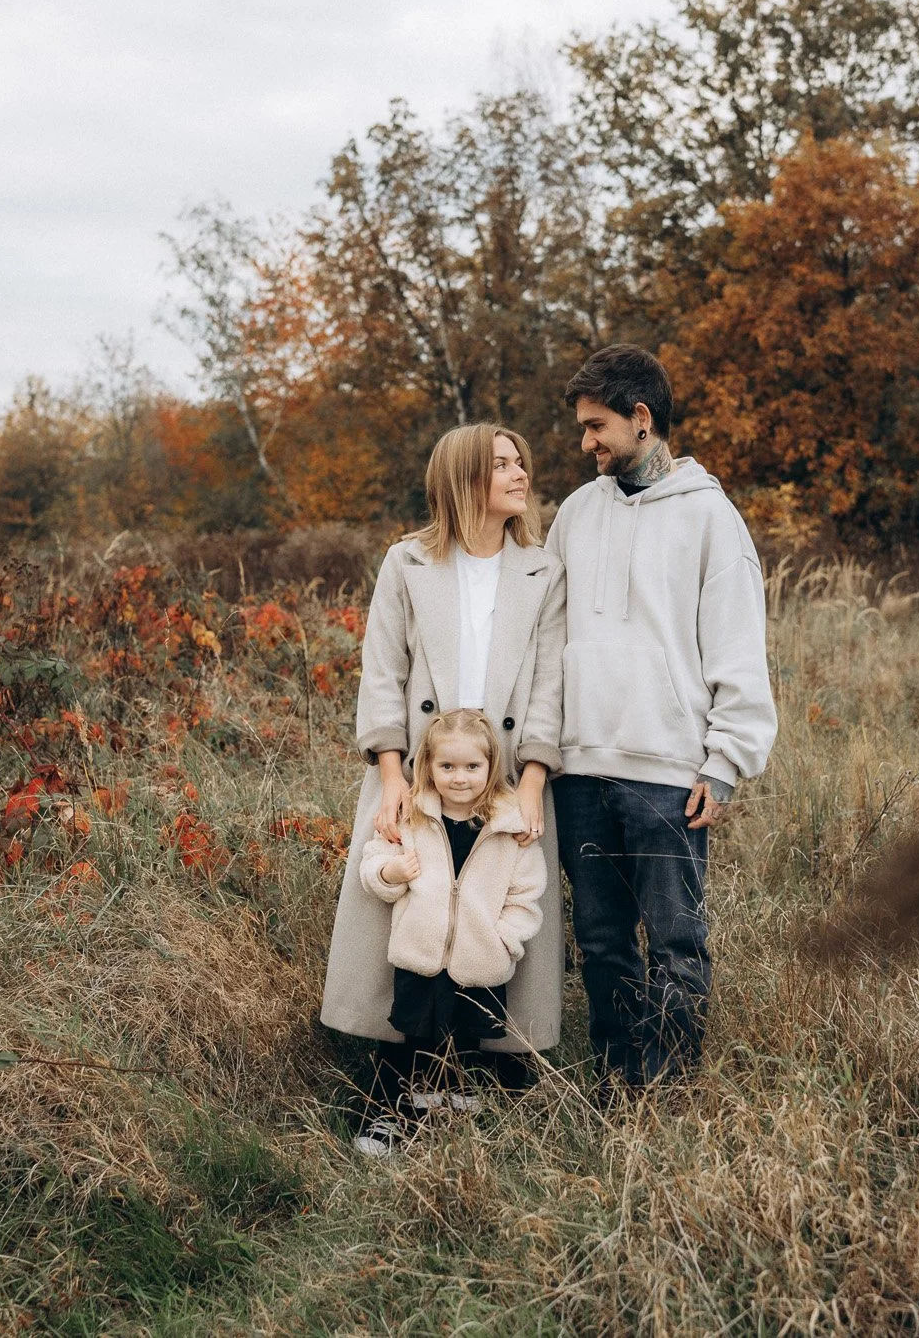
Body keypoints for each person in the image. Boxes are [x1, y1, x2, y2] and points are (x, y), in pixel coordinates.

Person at [319, 422, 567, 1147]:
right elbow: (382, 672)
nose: (521, 473)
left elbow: (551, 682)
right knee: (415, 918)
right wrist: (391, 773)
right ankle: (392, 1092)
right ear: (464, 479)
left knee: (492, 919)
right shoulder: (407, 562)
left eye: (522, 461)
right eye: (502, 463)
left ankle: (470, 1080)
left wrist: (532, 780)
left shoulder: (542, 569)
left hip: (506, 782)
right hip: (419, 779)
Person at [547, 344, 777, 1090]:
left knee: (676, 939)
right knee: (602, 940)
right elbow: (548, 634)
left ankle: (669, 1088)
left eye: (596, 425)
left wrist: (727, 760)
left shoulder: (711, 518)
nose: (585, 442)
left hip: (667, 771)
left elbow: (739, 646)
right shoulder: (576, 514)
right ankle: (618, 1084)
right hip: (580, 768)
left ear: (640, 418)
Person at [350, 710, 546, 1156]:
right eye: (447, 767)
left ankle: (457, 1127)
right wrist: (391, 871)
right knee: (413, 1039)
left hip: (481, 959)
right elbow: (372, 864)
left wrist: (505, 940)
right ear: (429, 767)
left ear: (491, 766)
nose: (459, 778)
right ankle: (397, 1117)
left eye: (472, 767)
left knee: (468, 1045)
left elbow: (526, 893)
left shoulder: (510, 823)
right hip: (421, 954)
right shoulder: (411, 814)